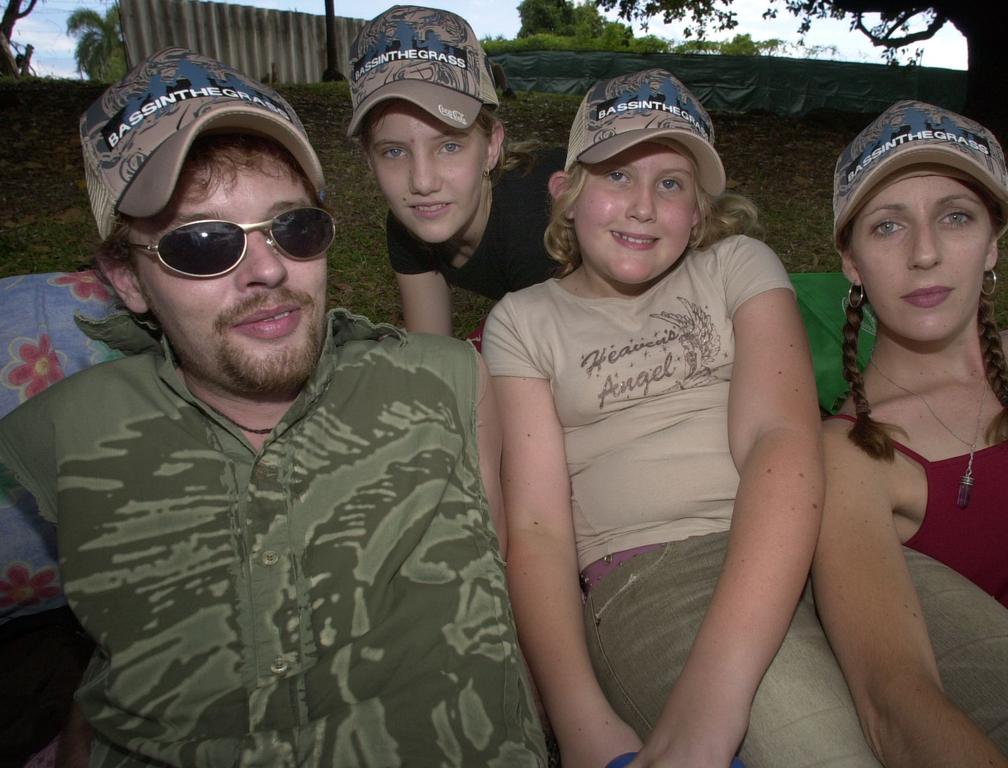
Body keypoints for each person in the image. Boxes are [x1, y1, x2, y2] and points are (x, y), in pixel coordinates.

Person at [0, 47, 546, 767]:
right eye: (201, 243)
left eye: (294, 228)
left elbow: (516, 582)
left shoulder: (447, 380)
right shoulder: (73, 434)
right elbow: (112, 655)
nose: (268, 269)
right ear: (125, 277)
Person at [484, 68, 874, 768]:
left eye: (670, 183)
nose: (642, 206)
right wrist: (576, 718)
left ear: (698, 211)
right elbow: (538, 530)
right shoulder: (525, 321)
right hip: (654, 569)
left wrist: (716, 688)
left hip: (813, 529)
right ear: (566, 195)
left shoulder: (736, 265)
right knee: (819, 749)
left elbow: (776, 435)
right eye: (616, 177)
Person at [813, 100, 1008, 766]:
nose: (925, 253)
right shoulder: (851, 456)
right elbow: (893, 700)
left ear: (993, 244)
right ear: (851, 261)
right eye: (888, 226)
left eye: (955, 217)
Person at [346, 4, 562, 335]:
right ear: (368, 158)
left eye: (449, 146)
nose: (422, 181)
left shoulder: (536, 220)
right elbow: (432, 357)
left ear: (492, 147)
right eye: (393, 151)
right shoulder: (409, 225)